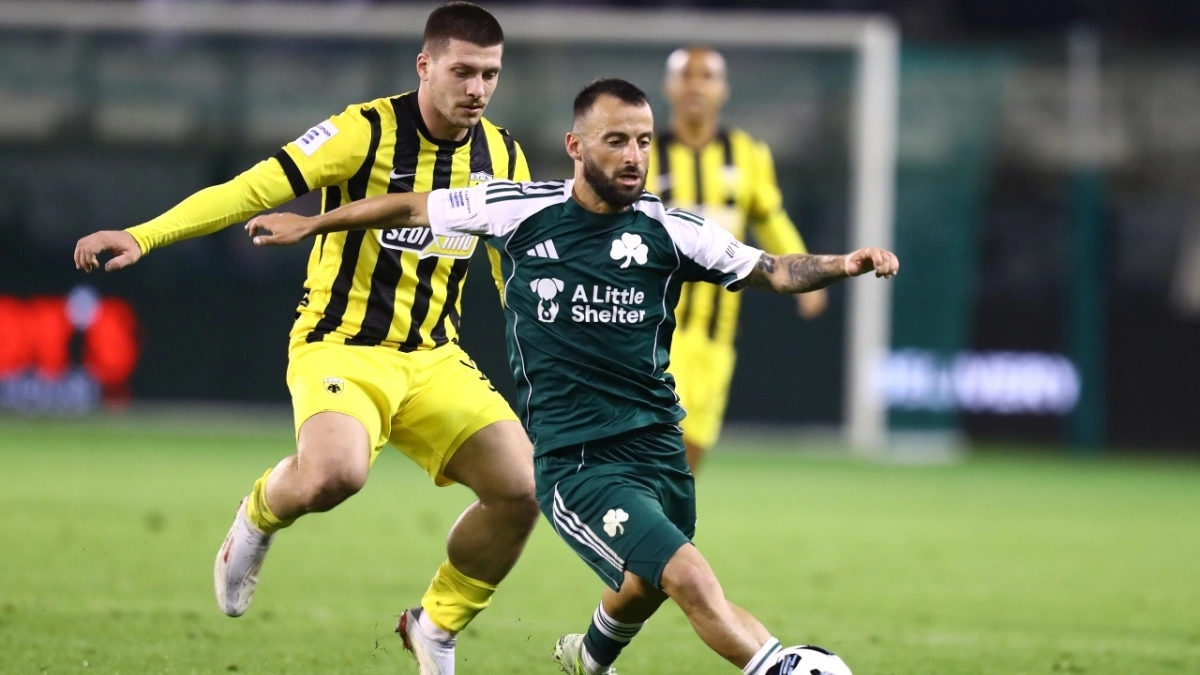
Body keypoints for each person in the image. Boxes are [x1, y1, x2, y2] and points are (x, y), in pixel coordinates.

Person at [244, 78, 897, 675]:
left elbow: (774, 270)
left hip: (658, 448)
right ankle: (783, 668)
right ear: (576, 146)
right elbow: (410, 207)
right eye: (617, 141)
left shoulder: (673, 230)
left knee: (647, 584)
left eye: (644, 141)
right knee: (689, 576)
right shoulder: (518, 210)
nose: (635, 156)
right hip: (579, 460)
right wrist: (313, 222)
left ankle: (588, 657)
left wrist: (842, 264)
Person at [72, 4, 539, 674]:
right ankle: (259, 514)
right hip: (341, 345)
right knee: (336, 474)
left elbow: (509, 263)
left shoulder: (503, 155)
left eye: (490, 74)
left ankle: (435, 624)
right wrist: (144, 235)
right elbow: (250, 190)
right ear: (425, 65)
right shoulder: (362, 131)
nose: (478, 88)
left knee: (522, 489)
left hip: (436, 358)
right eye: (463, 71)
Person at [648, 46, 829, 473]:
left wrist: (805, 276)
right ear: (670, 88)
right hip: (657, 323)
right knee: (660, 434)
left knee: (695, 445)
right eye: (686, 75)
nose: (696, 85)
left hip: (719, 327)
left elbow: (769, 219)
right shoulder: (647, 153)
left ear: (723, 90)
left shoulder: (747, 154)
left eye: (706, 76)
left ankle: (657, 512)